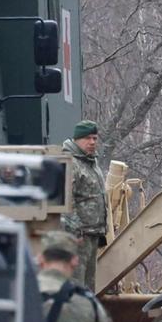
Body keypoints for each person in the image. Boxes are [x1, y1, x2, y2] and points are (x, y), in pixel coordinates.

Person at [60, 121, 108, 288]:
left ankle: (86, 312)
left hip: (92, 233)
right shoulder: (71, 163)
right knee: (76, 284)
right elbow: (65, 200)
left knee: (88, 285)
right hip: (79, 236)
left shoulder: (90, 162)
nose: (92, 142)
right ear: (77, 139)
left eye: (95, 138)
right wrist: (75, 231)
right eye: (88, 138)